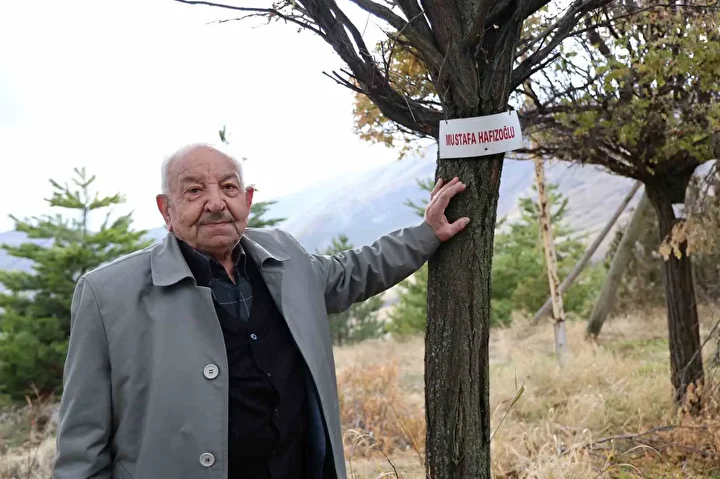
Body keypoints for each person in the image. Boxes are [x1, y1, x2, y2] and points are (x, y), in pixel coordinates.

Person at [52, 143, 470, 479]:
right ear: (166, 209)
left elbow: (353, 273)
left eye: (229, 187)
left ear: (247, 199)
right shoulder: (108, 296)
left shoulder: (284, 256)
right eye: (194, 191)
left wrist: (426, 234)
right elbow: (82, 443)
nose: (216, 203)